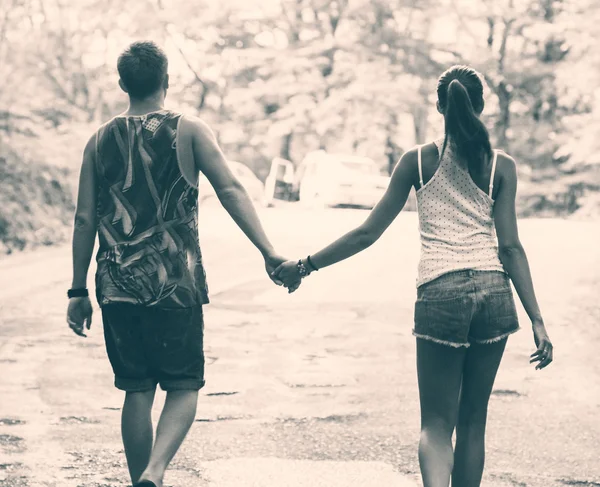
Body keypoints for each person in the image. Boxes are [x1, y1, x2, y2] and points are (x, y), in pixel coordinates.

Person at [273, 65, 553, 487]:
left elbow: (367, 233)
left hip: (440, 291)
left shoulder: (419, 161)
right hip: (495, 293)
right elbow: (510, 248)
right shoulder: (501, 166)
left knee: (437, 426)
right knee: (473, 423)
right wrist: (537, 318)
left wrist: (306, 265)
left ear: (440, 106)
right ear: (481, 106)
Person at [66, 41, 296, 487]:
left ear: (122, 84)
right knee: (183, 385)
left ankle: (141, 480)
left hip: (115, 285)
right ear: (166, 81)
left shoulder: (98, 140)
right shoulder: (188, 130)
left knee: (136, 388)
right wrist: (269, 252)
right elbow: (230, 189)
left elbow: (83, 218)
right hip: (176, 284)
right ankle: (155, 470)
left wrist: (77, 291)